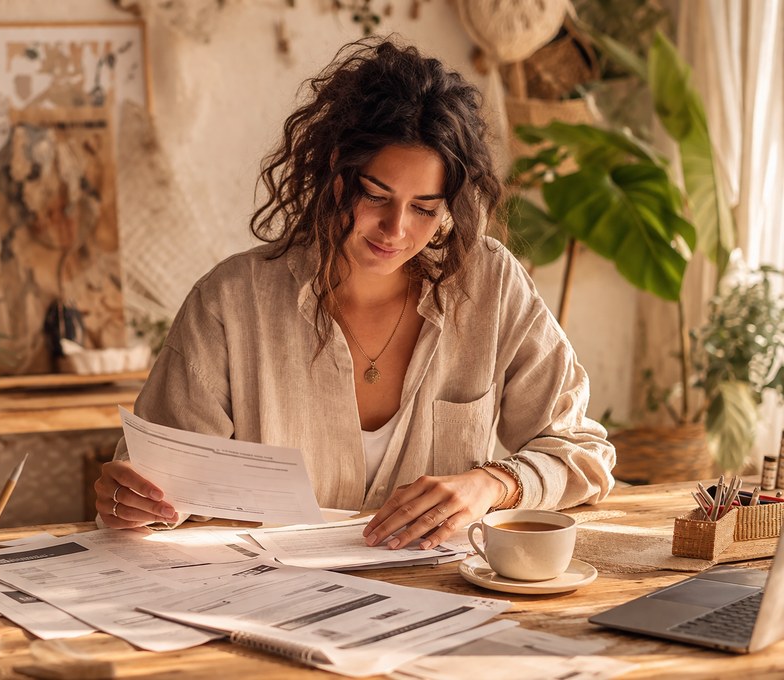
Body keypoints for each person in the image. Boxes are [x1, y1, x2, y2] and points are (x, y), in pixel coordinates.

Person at [94, 36, 616, 549]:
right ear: (338, 176)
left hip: (442, 600)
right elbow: (156, 482)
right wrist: (136, 502)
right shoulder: (232, 302)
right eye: (377, 196)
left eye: (424, 208)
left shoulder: (491, 286)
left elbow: (583, 451)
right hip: (269, 599)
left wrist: (492, 485)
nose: (395, 229)